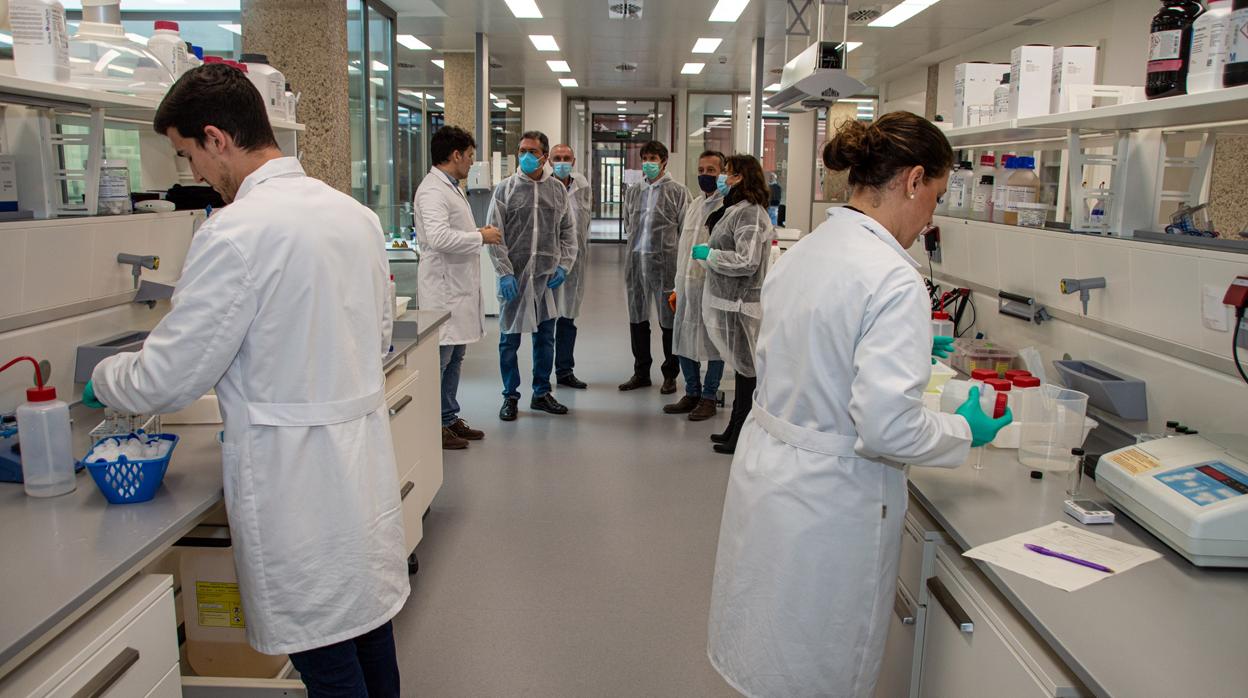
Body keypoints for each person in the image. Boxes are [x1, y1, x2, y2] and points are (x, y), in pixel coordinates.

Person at [82, 64, 408, 697]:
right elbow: (375, 340)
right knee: (367, 628)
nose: (194, 174)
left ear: (216, 137)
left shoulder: (234, 232)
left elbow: (169, 377)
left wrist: (102, 377)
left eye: (187, 156)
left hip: (295, 480)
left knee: (326, 654)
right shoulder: (354, 216)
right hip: (359, 464)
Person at [706, 112, 1013, 697]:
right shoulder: (892, 280)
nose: (932, 218)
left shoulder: (805, 250)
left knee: (772, 647)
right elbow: (886, 428)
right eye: (938, 196)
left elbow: (805, 355)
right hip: (832, 497)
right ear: (914, 179)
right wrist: (962, 430)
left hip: (773, 473)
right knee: (821, 665)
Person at [414, 125, 504, 450]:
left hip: (456, 288)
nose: (470, 163)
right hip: (443, 290)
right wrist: (480, 237)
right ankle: (433, 426)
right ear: (455, 155)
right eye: (469, 157)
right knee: (441, 358)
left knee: (456, 356)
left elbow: (451, 230)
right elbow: (438, 237)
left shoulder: (451, 187)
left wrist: (475, 231)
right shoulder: (432, 191)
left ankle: (449, 418)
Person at [487, 130, 579, 421]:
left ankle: (541, 393)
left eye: (532, 151)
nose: (526, 156)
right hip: (514, 277)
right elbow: (495, 234)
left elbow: (567, 232)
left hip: (545, 278)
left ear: (544, 155)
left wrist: (564, 266)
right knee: (509, 340)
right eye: (522, 150)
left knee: (545, 339)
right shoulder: (505, 189)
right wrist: (504, 272)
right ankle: (510, 396)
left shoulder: (557, 190)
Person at [694, 154, 772, 455]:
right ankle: (734, 428)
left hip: (743, 303)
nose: (722, 178)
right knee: (741, 369)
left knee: (747, 372)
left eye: (727, 172)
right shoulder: (737, 209)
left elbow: (747, 261)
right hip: (732, 301)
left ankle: (741, 433)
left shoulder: (750, 213)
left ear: (740, 177)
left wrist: (710, 256)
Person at [619, 140, 692, 395]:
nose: (648, 163)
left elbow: (686, 230)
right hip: (635, 262)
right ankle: (641, 372)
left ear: (664, 161)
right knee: (637, 317)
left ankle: (670, 375)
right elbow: (629, 224)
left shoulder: (679, 191)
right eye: (645, 158)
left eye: (653, 158)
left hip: (666, 264)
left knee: (668, 321)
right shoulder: (634, 191)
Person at [665, 150, 727, 422]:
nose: (705, 175)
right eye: (701, 170)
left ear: (723, 173)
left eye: (711, 171)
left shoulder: (728, 208)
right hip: (687, 283)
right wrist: (677, 285)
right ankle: (691, 392)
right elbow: (683, 248)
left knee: (715, 342)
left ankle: (709, 397)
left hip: (712, 285)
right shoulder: (693, 205)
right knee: (683, 337)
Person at [549, 143, 592, 390]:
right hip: (548, 263)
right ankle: (542, 377)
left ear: (573, 161)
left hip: (575, 262)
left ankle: (565, 371)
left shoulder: (582, 186)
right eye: (557, 158)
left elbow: (582, 224)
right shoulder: (543, 186)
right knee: (546, 322)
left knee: (568, 318)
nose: (562, 162)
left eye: (566, 158)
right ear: (549, 161)